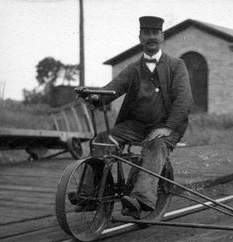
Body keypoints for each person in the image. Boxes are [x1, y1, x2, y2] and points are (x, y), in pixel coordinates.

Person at [74, 16, 193, 218]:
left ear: (162, 36)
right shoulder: (133, 69)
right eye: (146, 33)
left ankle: (142, 199)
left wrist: (168, 128)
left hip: (166, 127)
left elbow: (184, 99)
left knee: (155, 144)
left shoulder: (176, 65)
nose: (151, 37)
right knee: (102, 140)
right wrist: (94, 95)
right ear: (140, 37)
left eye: (155, 33)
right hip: (136, 125)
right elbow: (110, 90)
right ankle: (90, 195)